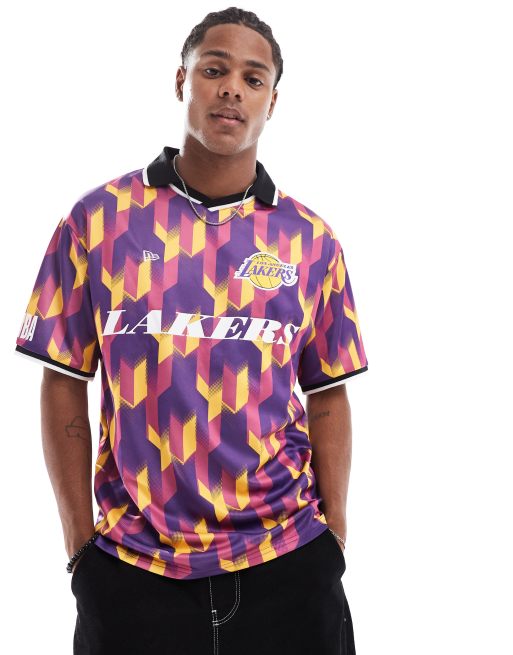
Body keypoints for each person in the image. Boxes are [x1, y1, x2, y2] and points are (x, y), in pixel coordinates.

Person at [14, 6, 368, 654]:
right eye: (214, 70)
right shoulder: (97, 221)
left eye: (253, 78)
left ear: (272, 101)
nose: (232, 88)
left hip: (288, 561)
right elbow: (62, 378)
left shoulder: (310, 240)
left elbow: (328, 392)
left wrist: (334, 539)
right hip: (133, 573)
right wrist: (79, 547)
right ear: (182, 81)